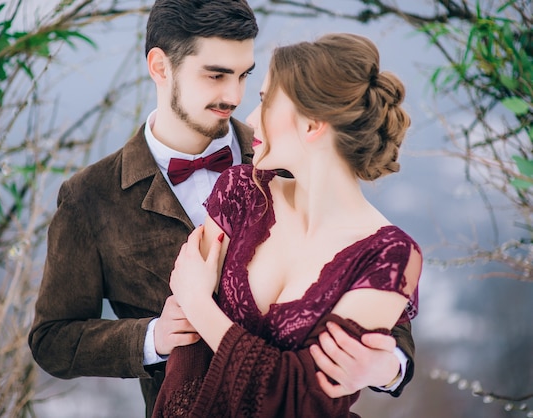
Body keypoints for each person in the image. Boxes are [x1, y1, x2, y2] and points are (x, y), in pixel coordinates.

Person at [28, 1, 415, 416]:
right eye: (215, 74)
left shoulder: (291, 150)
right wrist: (154, 338)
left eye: (243, 75)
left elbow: (368, 273)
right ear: (160, 67)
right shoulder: (91, 196)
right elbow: (53, 341)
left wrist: (389, 367)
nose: (233, 95)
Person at [152, 33, 422, 417]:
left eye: (264, 101)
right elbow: (187, 350)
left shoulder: (391, 255)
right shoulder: (240, 191)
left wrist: (200, 304)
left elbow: (305, 401)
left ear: (312, 124)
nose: (247, 118)